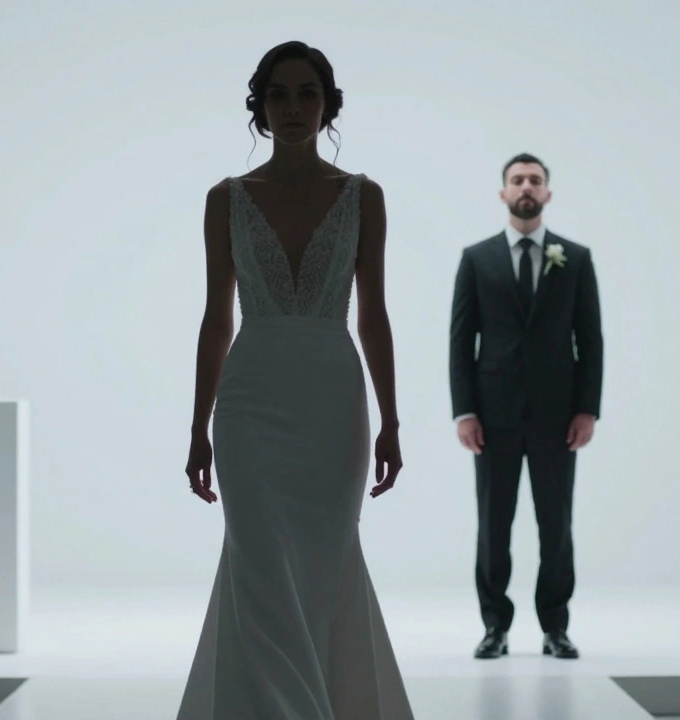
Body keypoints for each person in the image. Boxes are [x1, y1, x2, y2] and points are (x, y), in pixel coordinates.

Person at [175, 41, 414, 719]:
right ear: (259, 106)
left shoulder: (364, 197)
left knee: (324, 563)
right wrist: (198, 428)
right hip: (249, 407)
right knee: (258, 571)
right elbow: (216, 320)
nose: (292, 107)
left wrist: (392, 419)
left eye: (306, 93)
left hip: (333, 404)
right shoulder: (225, 200)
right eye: (278, 94)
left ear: (328, 103)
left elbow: (374, 317)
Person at [448, 154, 604, 660]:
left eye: (535, 180)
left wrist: (588, 409)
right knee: (493, 526)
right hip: (492, 417)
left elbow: (591, 340)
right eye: (517, 180)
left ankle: (555, 627)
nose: (526, 187)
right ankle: (495, 626)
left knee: (555, 526)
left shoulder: (574, 258)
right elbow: (461, 341)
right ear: (503, 193)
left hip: (558, 417)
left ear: (547, 193)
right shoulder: (477, 258)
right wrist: (464, 411)